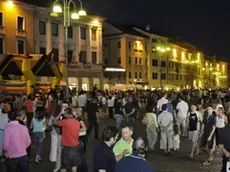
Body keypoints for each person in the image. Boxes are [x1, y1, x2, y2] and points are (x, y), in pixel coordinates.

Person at [55, 107, 81, 172]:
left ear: (67, 114)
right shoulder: (77, 122)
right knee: (74, 165)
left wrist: (60, 113)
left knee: (64, 166)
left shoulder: (65, 122)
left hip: (66, 146)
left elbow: (54, 121)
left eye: (64, 113)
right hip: (75, 146)